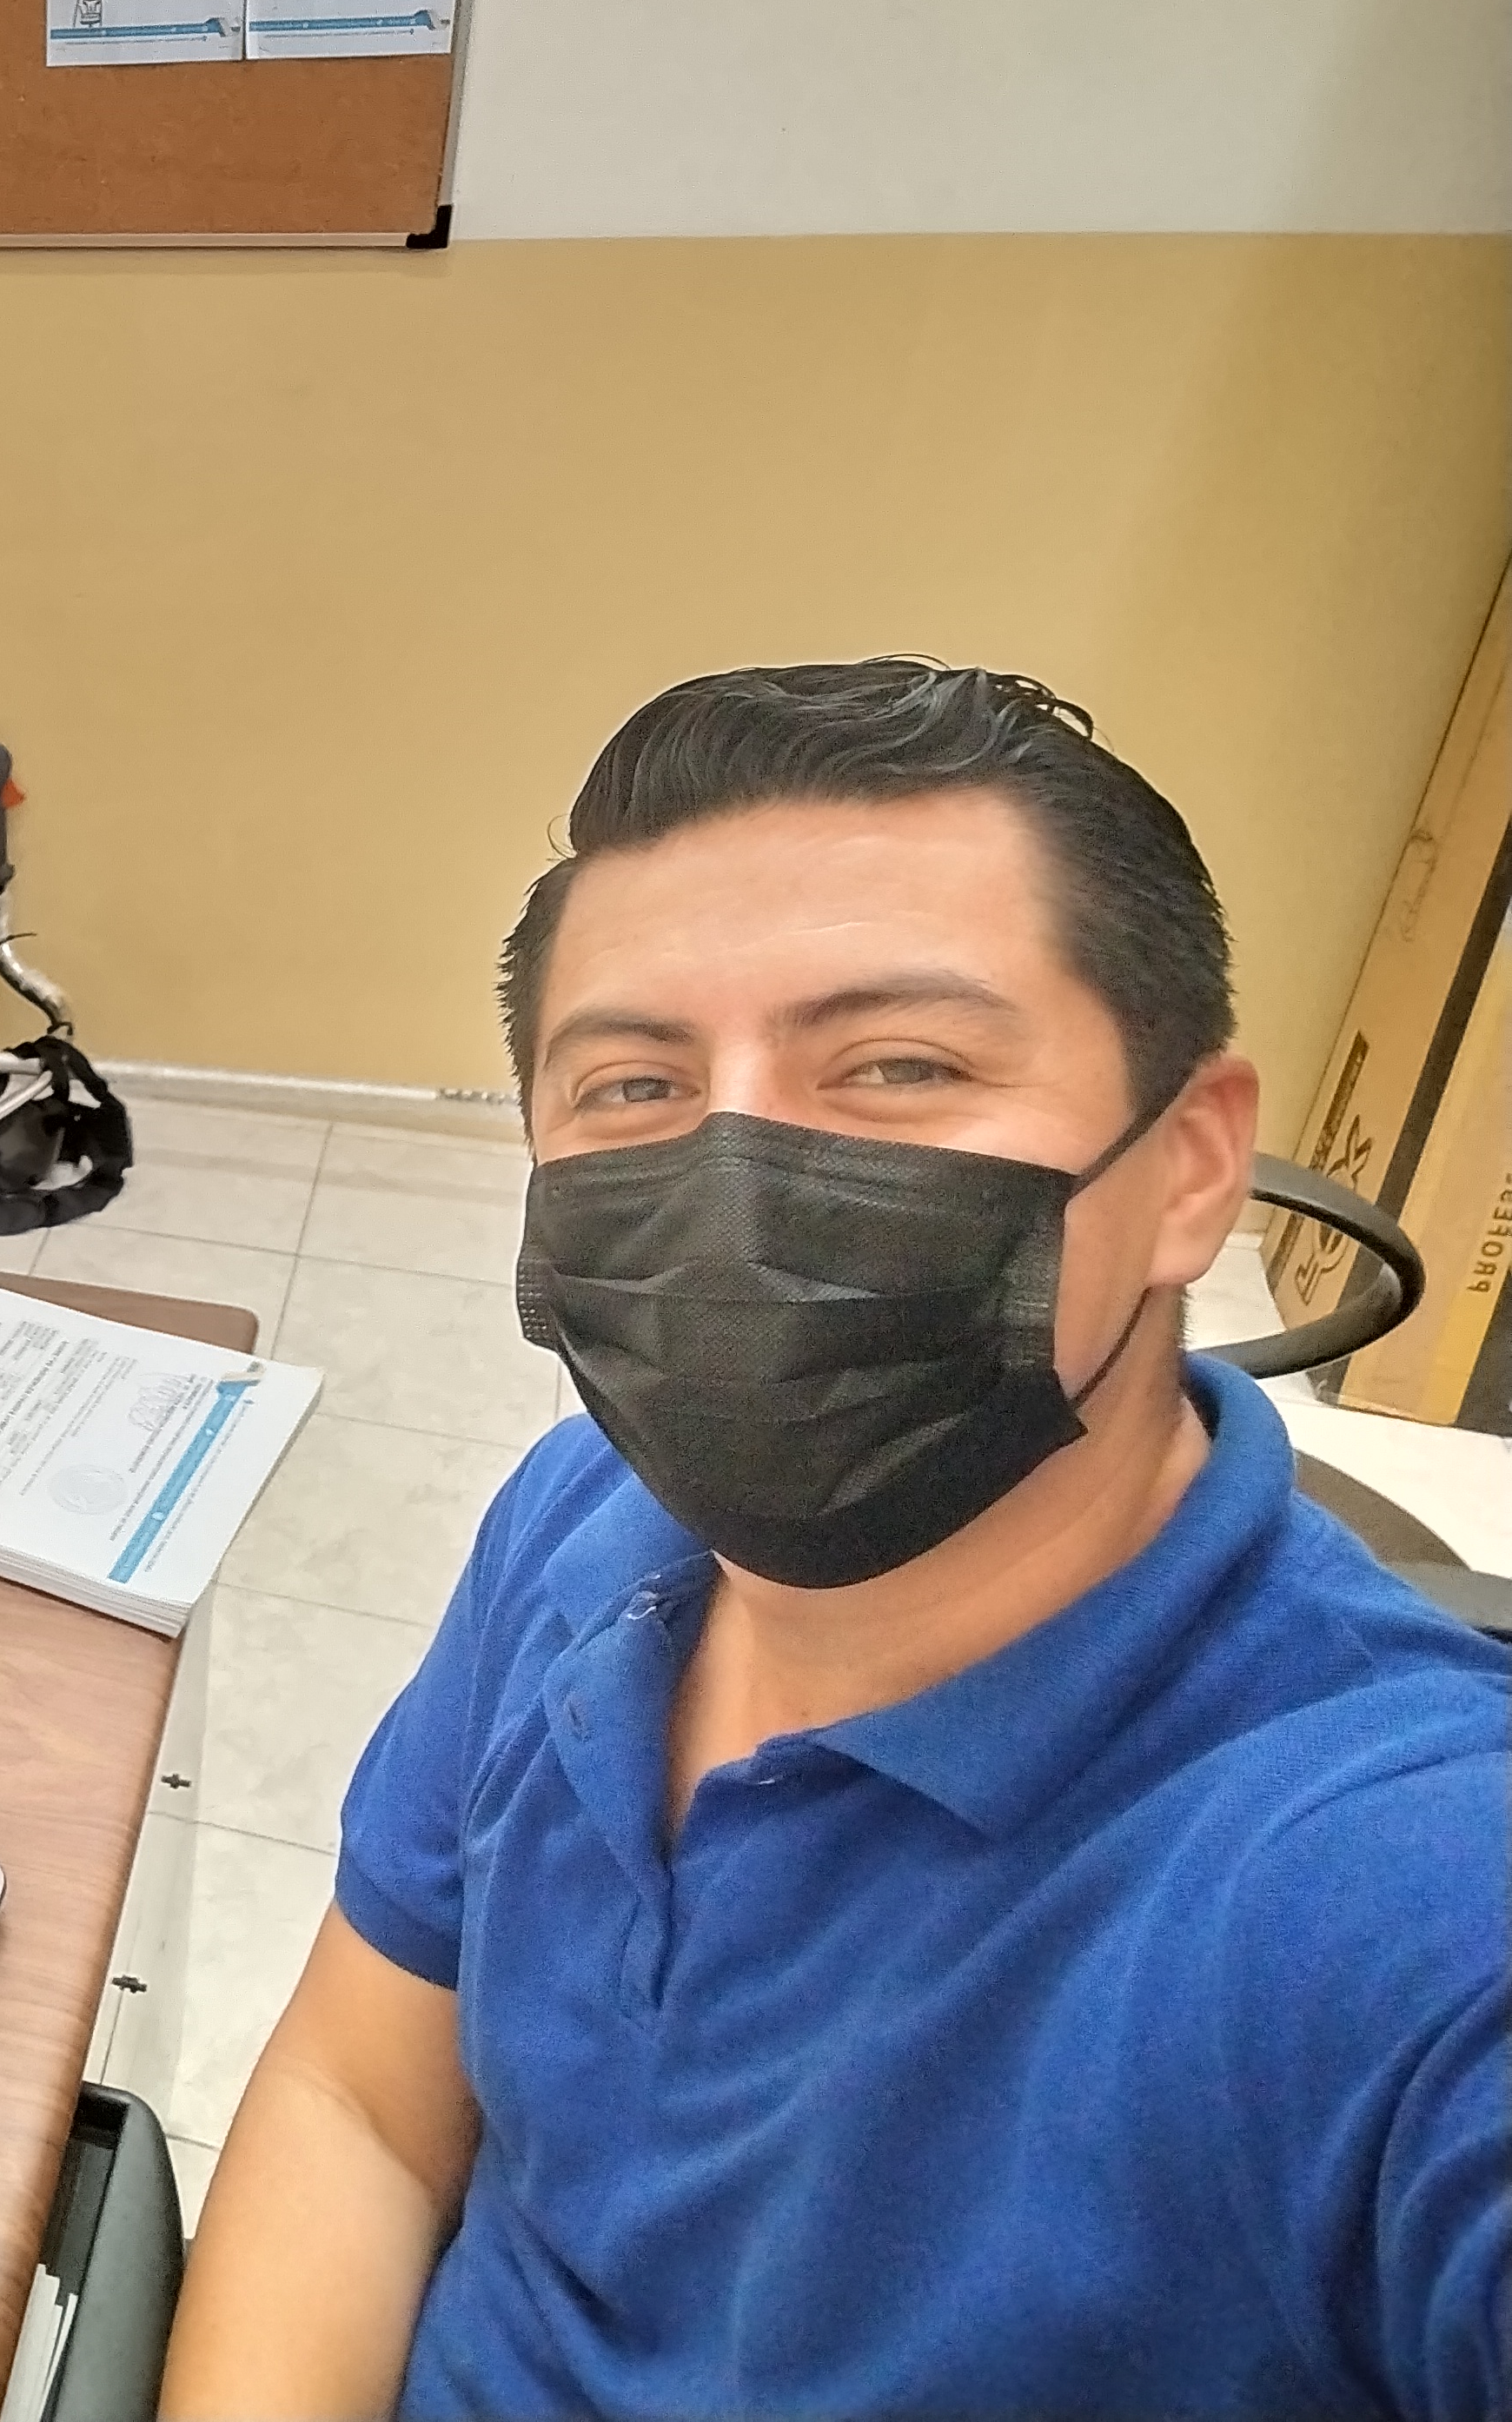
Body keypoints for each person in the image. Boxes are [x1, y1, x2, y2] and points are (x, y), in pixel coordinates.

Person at [162, 662, 1505, 2420]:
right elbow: (358, 2106)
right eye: (632, 1087)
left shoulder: (1398, 1903)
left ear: (1188, 1167)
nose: (736, 1188)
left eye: (895, 1065)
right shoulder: (575, 1527)